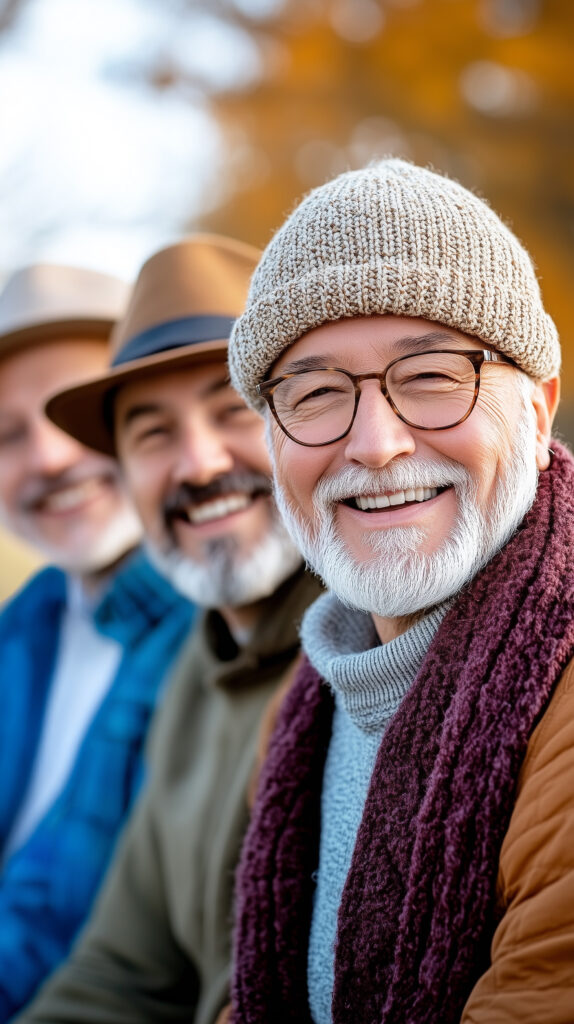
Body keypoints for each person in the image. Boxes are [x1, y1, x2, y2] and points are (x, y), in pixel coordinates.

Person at [226, 159, 574, 1023]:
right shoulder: (303, 707)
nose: (376, 444)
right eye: (314, 394)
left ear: (536, 413)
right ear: (272, 441)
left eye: (431, 376)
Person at [17, 235, 320, 1024]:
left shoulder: (376, 647)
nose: (196, 463)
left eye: (232, 412)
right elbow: (116, 971)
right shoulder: (199, 662)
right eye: (152, 434)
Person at [0, 264, 195, 1020]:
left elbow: (74, 928)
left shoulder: (217, 638)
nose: (49, 458)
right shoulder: (26, 629)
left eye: (73, 418)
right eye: (8, 435)